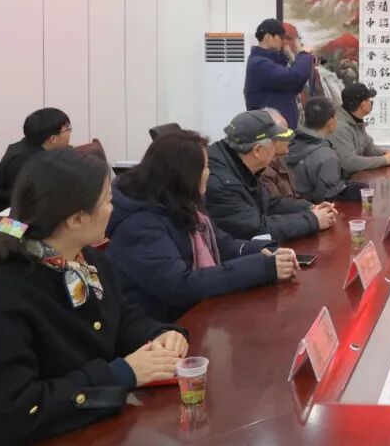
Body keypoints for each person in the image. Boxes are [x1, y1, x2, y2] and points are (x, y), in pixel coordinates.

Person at [0, 149, 187, 444]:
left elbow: (120, 317)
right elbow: (9, 414)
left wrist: (159, 335)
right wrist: (121, 374)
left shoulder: (87, 260)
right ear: (76, 219)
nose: (113, 208)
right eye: (108, 200)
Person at [107, 130, 298, 322]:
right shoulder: (139, 225)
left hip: (195, 313)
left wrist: (261, 251)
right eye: (205, 166)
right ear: (186, 174)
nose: (210, 173)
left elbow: (221, 244)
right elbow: (181, 285)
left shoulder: (183, 202)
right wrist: (260, 268)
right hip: (161, 326)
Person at [204, 110, 336, 241]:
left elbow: (267, 204)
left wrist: (309, 208)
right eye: (274, 143)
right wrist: (313, 220)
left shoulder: (238, 162)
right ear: (258, 150)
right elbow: (255, 230)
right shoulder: (222, 183)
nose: (277, 150)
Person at [286, 97, 367, 204]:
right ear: (330, 122)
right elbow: (328, 198)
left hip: (290, 206)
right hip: (313, 210)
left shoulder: (289, 143)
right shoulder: (326, 156)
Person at [0, 108, 72, 210]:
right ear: (53, 139)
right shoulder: (22, 161)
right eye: (67, 129)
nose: (70, 132)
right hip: (12, 216)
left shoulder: (35, 147)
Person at [244, 18, 314, 130]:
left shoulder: (270, 62)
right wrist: (304, 54)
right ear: (268, 37)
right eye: (281, 37)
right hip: (271, 133)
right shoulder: (259, 64)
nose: (283, 41)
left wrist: (290, 56)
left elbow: (294, 86)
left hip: (279, 132)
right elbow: (293, 78)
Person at [329, 83, 390, 174]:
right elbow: (350, 163)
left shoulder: (356, 121)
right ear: (363, 105)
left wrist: (386, 153)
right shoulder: (339, 126)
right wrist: (384, 160)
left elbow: (369, 149)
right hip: (341, 181)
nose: (371, 102)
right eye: (369, 99)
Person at [260, 108, 302, 200]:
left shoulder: (281, 161)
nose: (290, 138)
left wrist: (313, 207)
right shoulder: (262, 173)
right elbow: (277, 206)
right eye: (285, 132)